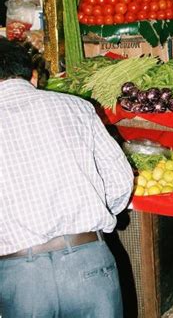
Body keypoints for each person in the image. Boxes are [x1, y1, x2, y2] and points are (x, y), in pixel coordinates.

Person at [0, 38, 133, 318]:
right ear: (33, 77)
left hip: (19, 278)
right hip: (89, 264)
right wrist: (90, 213)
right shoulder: (77, 108)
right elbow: (120, 181)